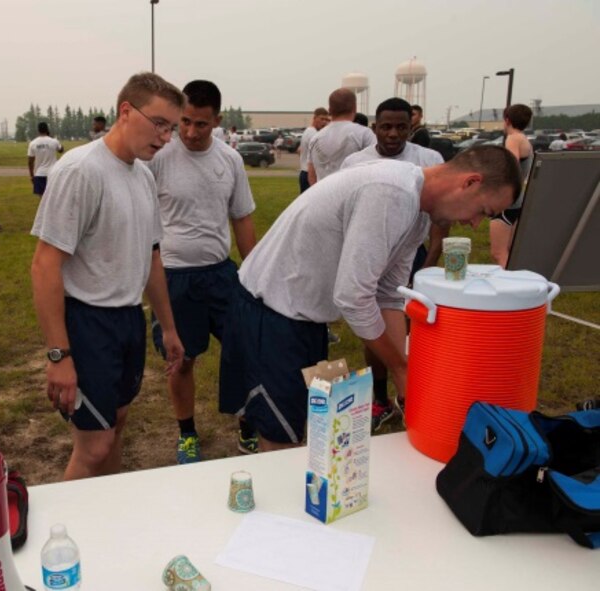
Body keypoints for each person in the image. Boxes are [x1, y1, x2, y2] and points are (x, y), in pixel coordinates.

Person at [219, 145, 521, 452]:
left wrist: (405, 371)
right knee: (280, 437)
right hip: (271, 310)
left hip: (305, 315)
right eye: (483, 211)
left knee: (301, 424)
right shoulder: (390, 194)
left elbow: (388, 294)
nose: (475, 224)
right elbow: (353, 297)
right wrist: (401, 369)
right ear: (470, 182)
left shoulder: (418, 210)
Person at [30, 72, 185, 480]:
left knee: (116, 429)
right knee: (94, 446)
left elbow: (151, 255)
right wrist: (58, 356)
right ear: (126, 112)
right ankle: (62, 536)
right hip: (88, 322)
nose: (167, 137)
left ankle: (107, 523)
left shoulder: (143, 175)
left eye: (171, 128)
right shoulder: (81, 170)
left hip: (128, 319)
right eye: (160, 124)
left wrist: (167, 327)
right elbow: (45, 265)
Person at [147, 80, 258, 463]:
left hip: (222, 276)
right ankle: (188, 434)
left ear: (218, 121)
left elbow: (241, 218)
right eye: (185, 123)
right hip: (175, 278)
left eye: (202, 125)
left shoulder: (230, 160)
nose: (191, 133)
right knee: (182, 360)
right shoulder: (158, 157)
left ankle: (248, 425)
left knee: (244, 352)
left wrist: (255, 275)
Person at [341, 97, 446, 432]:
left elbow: (439, 219)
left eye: (401, 127)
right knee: (373, 329)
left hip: (410, 253)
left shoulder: (428, 160)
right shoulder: (356, 162)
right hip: (371, 253)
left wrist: (427, 264)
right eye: (386, 126)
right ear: (374, 127)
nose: (393, 134)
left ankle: (413, 396)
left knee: (415, 328)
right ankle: (379, 397)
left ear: (411, 127)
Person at [490, 104, 534, 268]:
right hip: (517, 198)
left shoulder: (513, 139)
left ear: (507, 120)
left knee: (499, 252)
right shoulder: (523, 139)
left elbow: (511, 168)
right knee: (508, 250)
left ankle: (507, 287)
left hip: (508, 200)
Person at [308, 88, 376, 184]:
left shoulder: (315, 138)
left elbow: (311, 174)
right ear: (355, 108)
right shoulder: (364, 134)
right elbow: (377, 166)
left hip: (324, 194)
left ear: (330, 110)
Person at [297, 107, 330, 193]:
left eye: (327, 120)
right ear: (314, 118)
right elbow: (321, 155)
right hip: (310, 174)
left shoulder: (309, 131)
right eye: (322, 119)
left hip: (306, 172)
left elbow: (299, 150)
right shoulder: (313, 134)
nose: (324, 122)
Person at [27, 122, 64, 197]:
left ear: (38, 130)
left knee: (42, 198)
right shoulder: (54, 141)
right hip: (53, 172)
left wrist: (31, 175)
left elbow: (30, 161)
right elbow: (61, 150)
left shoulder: (33, 143)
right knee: (54, 196)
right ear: (47, 129)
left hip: (40, 173)